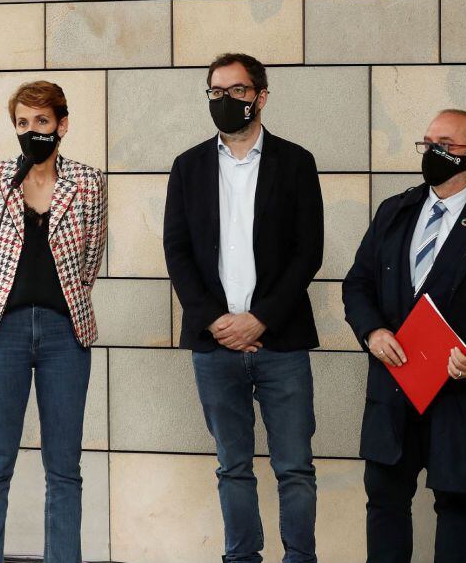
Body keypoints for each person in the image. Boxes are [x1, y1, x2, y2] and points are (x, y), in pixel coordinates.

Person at [343, 109, 466, 563]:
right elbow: (357, 284)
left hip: (461, 394)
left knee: (455, 502)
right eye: (427, 142)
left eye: (447, 145)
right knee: (384, 498)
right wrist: (372, 331)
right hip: (396, 384)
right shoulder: (395, 211)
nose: (434, 153)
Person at [163, 53, 324, 563]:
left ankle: (300, 558)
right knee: (232, 466)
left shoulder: (296, 162)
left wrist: (261, 318)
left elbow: (308, 251)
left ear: (261, 96)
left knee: (295, 467)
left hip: (282, 341)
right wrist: (216, 320)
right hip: (214, 345)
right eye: (215, 91)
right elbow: (178, 251)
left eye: (236, 90)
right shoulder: (187, 167)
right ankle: (241, 558)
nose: (225, 100)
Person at [0, 80, 107, 563]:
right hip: (0, 333)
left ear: (61, 125)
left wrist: (64, 307)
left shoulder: (88, 182)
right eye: (23, 123)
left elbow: (91, 261)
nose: (33, 131)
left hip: (64, 335)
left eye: (42, 122)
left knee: (64, 468)